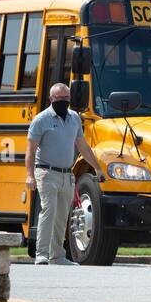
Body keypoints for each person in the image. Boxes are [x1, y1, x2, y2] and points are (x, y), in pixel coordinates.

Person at [24, 82, 104, 266]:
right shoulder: (41, 119)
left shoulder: (75, 118)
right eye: (59, 99)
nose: (63, 102)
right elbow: (30, 149)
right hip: (46, 172)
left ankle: (58, 255)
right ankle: (42, 254)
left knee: (62, 215)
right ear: (51, 99)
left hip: (67, 175)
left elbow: (82, 145)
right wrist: (29, 175)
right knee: (48, 211)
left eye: (66, 98)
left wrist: (98, 167)